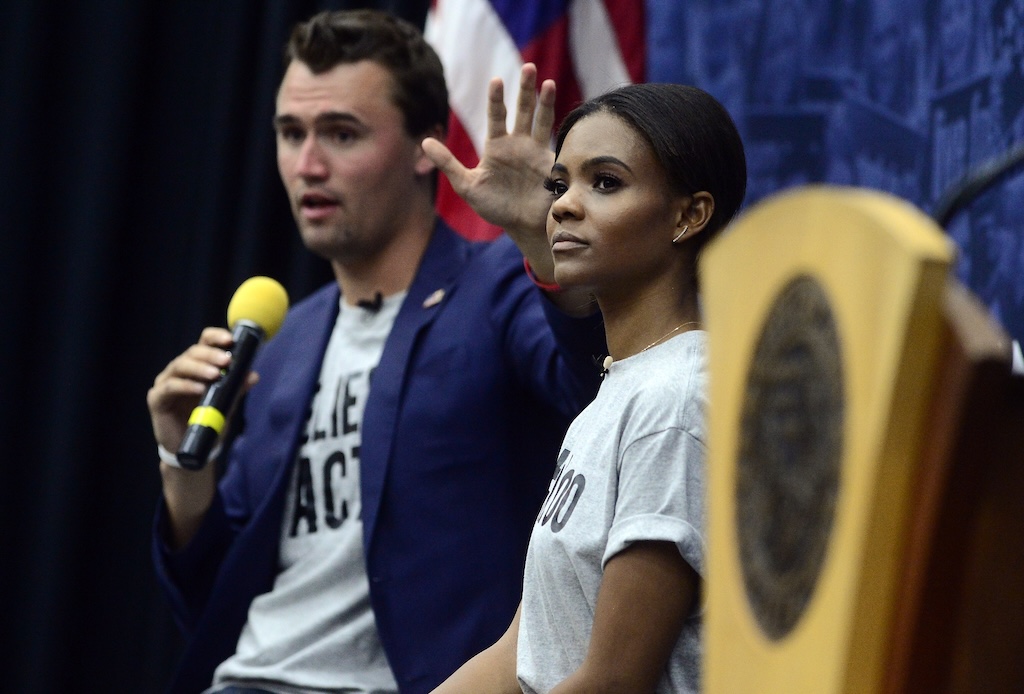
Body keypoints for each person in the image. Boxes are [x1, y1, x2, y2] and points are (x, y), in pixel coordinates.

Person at [146, 9, 604, 694]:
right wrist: (183, 461)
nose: (308, 165)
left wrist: (542, 245)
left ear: (426, 146)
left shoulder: (499, 287)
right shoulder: (288, 340)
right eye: (291, 133)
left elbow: (595, 392)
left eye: (341, 133)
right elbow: (212, 601)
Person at [423, 78, 747, 692]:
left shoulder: (676, 400)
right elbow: (522, 653)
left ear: (689, 215)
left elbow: (613, 682)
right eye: (559, 184)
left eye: (605, 183)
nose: (563, 206)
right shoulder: (619, 392)